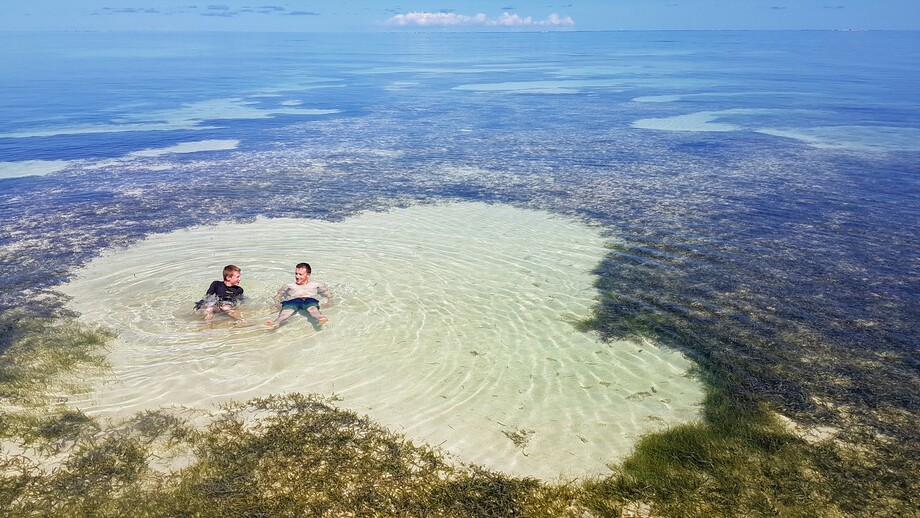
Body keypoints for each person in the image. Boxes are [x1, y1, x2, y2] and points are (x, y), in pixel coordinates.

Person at [264, 262, 333, 327]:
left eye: (300, 274)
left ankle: (319, 318)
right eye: (296, 273)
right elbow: (278, 295)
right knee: (286, 311)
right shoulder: (289, 286)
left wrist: (330, 301)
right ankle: (276, 322)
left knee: (312, 308)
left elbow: (327, 293)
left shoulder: (316, 285)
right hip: (293, 300)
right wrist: (276, 305)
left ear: (308, 275)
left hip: (308, 300)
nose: (297, 276)